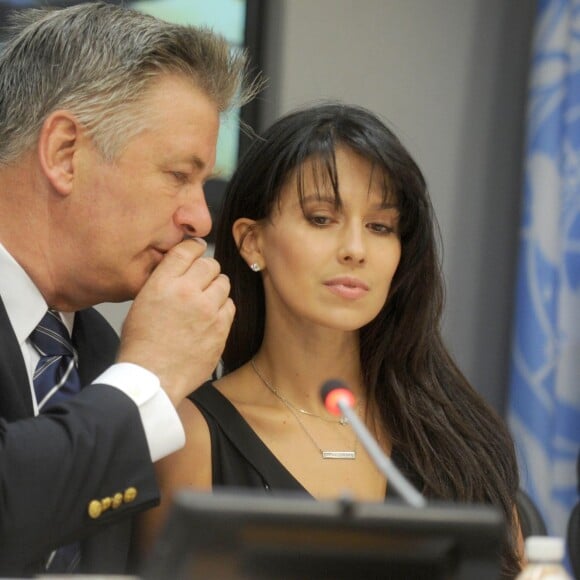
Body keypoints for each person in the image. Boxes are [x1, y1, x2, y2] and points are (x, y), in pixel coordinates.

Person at [138, 103, 524, 576]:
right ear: (252, 242)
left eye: (380, 227)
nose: (355, 250)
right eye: (321, 219)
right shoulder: (191, 434)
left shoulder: (459, 433)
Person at [0, 1, 259, 576]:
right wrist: (150, 378)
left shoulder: (102, 358)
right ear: (65, 153)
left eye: (204, 183)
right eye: (178, 175)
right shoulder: (138, 375)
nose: (200, 219)